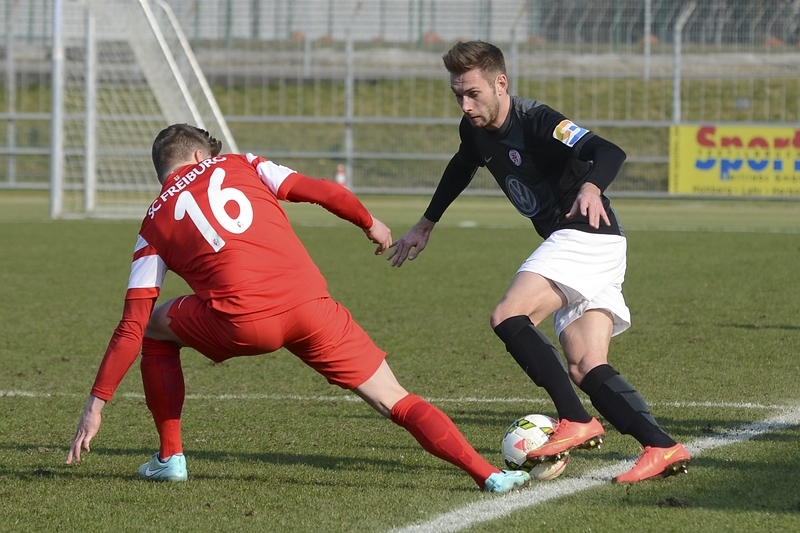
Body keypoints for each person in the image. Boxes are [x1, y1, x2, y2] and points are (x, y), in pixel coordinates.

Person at [65, 123, 530, 493]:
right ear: (199, 156)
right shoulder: (242, 163)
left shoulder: (152, 223)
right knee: (395, 398)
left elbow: (131, 324)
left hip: (241, 323)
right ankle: (488, 474)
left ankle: (170, 457)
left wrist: (96, 404)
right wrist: (369, 222)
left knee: (153, 326)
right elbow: (320, 190)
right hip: (310, 306)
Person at [387, 41, 690, 483]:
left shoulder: (537, 120)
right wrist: (426, 223)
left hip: (585, 235)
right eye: (458, 95)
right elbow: (462, 165)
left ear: (500, 83)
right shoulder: (473, 129)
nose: (466, 105)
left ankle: (576, 419)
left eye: (473, 94)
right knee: (585, 365)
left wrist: (591, 187)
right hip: (591, 247)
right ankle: (661, 445)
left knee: (509, 315)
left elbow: (609, 151)